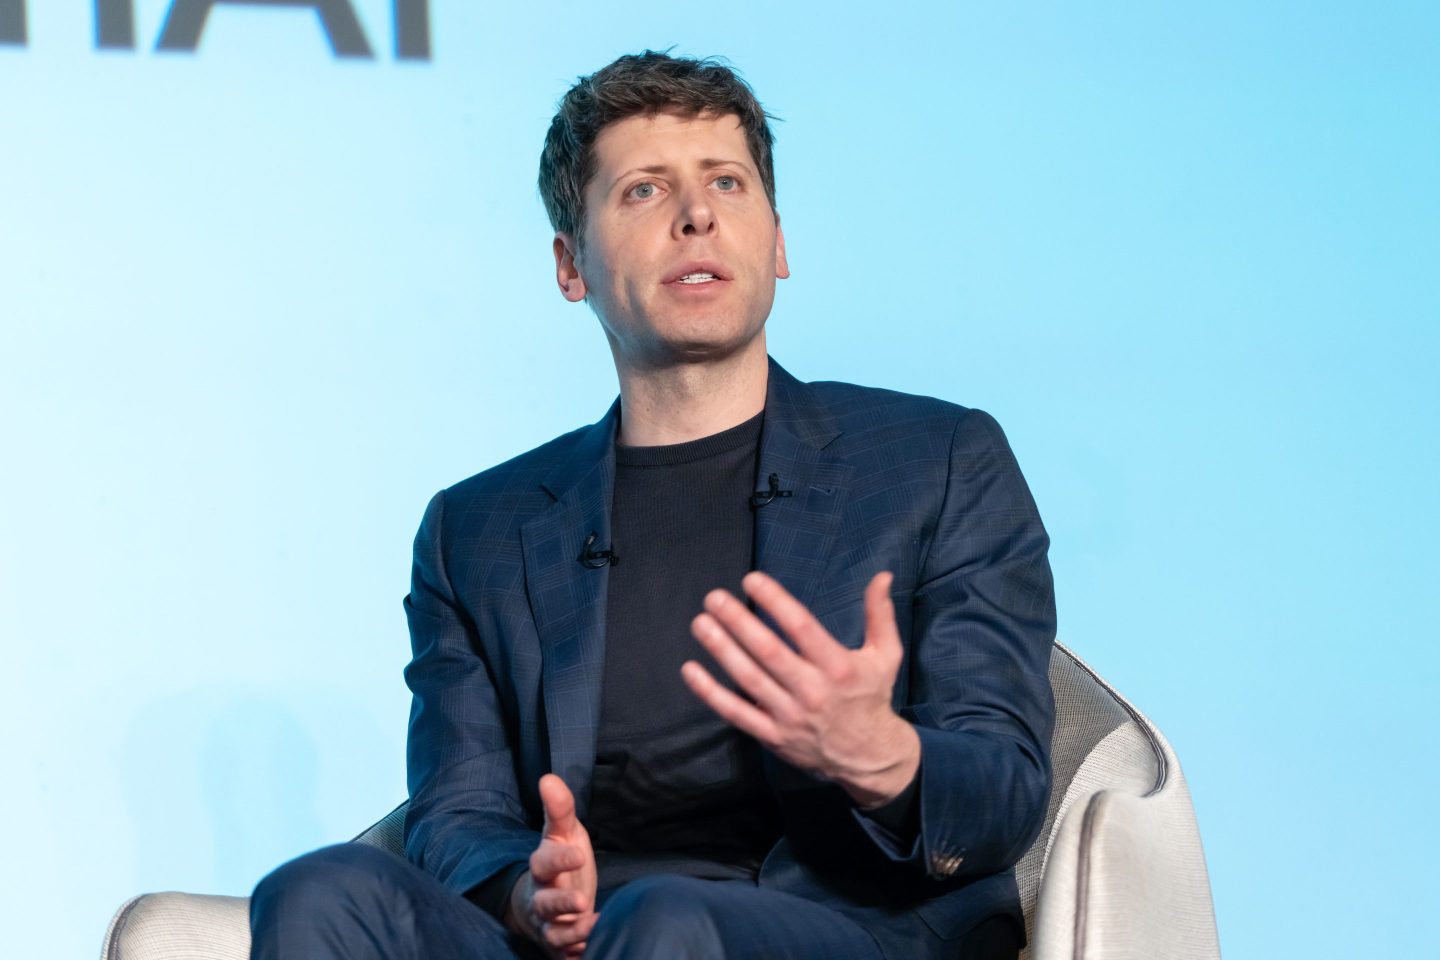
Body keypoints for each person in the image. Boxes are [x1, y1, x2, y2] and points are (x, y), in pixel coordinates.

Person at [249, 51, 1056, 960]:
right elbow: (459, 812)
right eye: (643, 190)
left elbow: (1008, 786)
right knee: (316, 894)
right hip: (584, 942)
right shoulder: (474, 531)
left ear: (778, 243)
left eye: (727, 182)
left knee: (666, 918)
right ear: (571, 264)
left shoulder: (934, 460)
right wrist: (528, 893)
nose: (698, 213)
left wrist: (883, 754)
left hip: (845, 933)